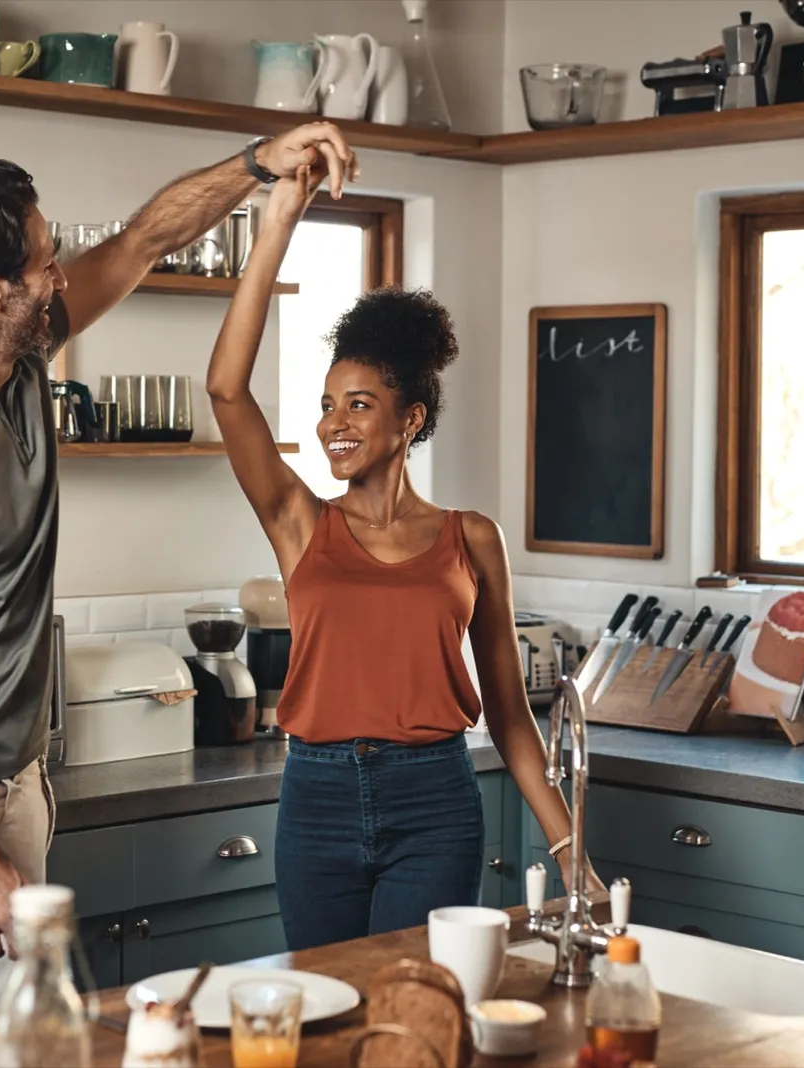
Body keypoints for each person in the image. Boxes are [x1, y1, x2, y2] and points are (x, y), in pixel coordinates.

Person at [0, 125, 359, 1031]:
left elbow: (144, 239)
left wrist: (254, 166)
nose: (63, 273)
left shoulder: (18, 354)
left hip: (12, 780)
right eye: (45, 261)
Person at [205, 169, 602, 952]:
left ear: (410, 418)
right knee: (324, 1010)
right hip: (314, 797)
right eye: (326, 404)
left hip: (435, 802)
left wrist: (569, 848)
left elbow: (512, 718)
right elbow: (226, 390)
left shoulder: (471, 538)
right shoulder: (299, 523)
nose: (334, 424)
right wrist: (278, 221)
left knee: (409, 1013)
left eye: (359, 404)